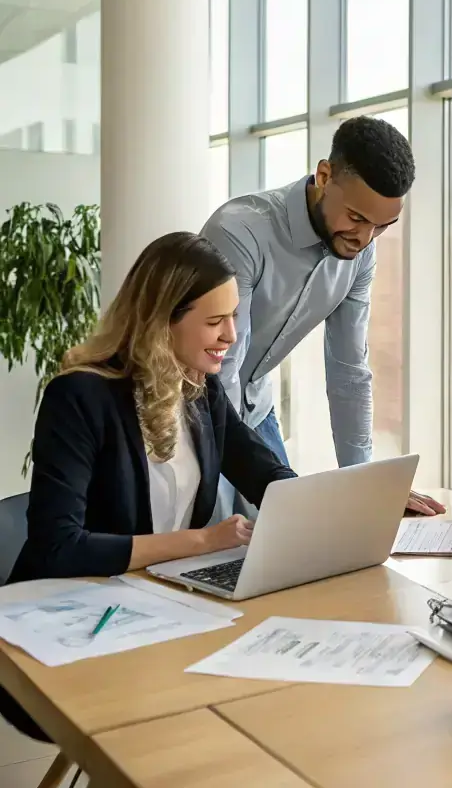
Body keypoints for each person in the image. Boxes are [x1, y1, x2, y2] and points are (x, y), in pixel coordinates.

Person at [2, 232, 297, 741]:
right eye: (213, 321)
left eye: (233, 315)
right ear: (163, 321)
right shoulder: (79, 397)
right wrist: (202, 542)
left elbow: (266, 473)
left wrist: (335, 506)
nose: (231, 334)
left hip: (160, 609)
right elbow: (58, 548)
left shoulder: (202, 389)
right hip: (67, 620)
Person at [201, 115, 443, 518]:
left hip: (256, 409)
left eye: (382, 226)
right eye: (356, 217)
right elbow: (222, 370)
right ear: (325, 175)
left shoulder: (360, 255)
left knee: (289, 547)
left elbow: (349, 371)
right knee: (208, 551)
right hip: (198, 411)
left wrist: (365, 483)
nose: (364, 238)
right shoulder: (240, 232)